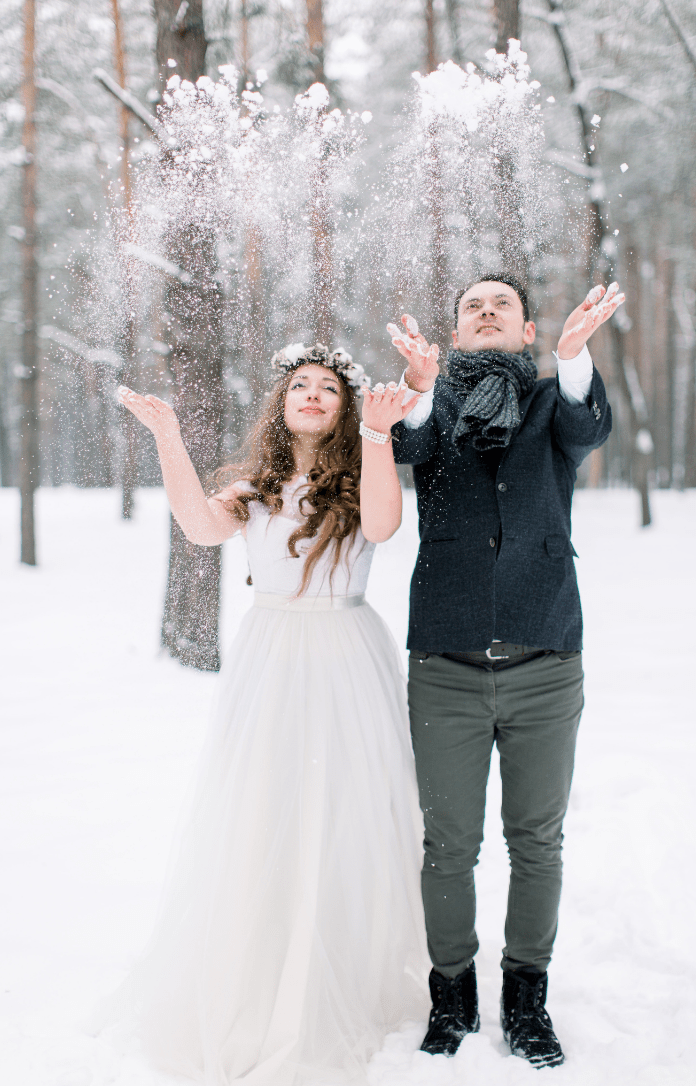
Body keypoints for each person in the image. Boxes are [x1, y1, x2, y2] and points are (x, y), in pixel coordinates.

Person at [114, 343, 428, 1086]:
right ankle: (266, 967)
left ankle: (347, 972)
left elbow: (383, 527)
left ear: (345, 408)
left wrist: (381, 437)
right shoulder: (255, 487)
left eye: (328, 388)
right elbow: (198, 527)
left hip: (346, 651)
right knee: (266, 806)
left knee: (347, 811)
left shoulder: (361, 473)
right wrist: (168, 438)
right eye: (301, 387)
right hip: (271, 655)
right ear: (282, 406)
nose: (314, 395)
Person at [378, 275, 622, 1068]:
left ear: (526, 333)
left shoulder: (556, 404)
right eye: (472, 307)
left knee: (537, 842)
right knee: (448, 845)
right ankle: (452, 995)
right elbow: (408, 447)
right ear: (454, 338)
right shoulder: (435, 408)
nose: (486, 313)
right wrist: (418, 389)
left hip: (546, 660)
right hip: (444, 663)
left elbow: (589, 430)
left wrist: (576, 356)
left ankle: (527, 998)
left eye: (502, 306)